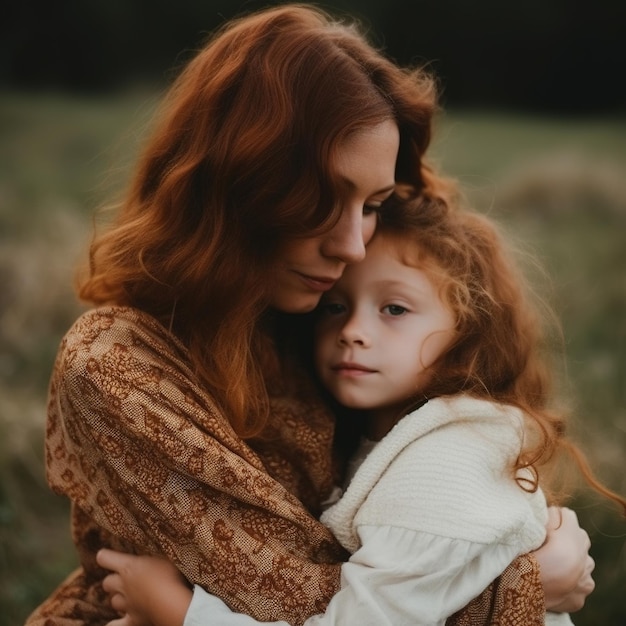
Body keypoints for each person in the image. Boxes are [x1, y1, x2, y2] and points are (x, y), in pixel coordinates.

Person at [26, 5, 596, 626]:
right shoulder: (115, 365)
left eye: (373, 204)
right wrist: (526, 583)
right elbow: (296, 601)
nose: (352, 247)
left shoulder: (314, 318)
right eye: (325, 199)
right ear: (239, 180)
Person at [95, 193, 625, 626]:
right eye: (335, 306)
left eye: (394, 308)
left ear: (467, 329)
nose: (352, 331)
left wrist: (180, 613)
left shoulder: (451, 462)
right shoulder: (384, 435)